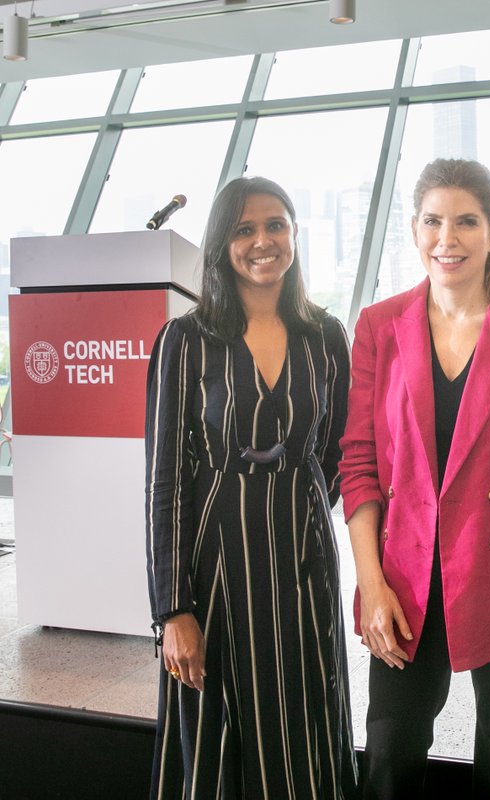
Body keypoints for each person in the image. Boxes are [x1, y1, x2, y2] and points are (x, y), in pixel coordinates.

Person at [340, 158, 490, 799]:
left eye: (466, 221)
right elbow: (360, 467)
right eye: (432, 221)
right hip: (404, 579)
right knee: (390, 755)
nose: (447, 238)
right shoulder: (377, 326)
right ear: (414, 228)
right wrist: (371, 584)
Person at [145, 176, 357, 798]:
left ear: (294, 234)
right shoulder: (185, 341)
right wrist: (171, 610)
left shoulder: (326, 336)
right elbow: (164, 480)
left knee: (310, 712)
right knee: (218, 732)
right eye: (244, 229)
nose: (263, 241)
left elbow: (338, 451)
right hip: (213, 569)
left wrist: (303, 507)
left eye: (276, 225)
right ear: (221, 244)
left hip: (302, 563)